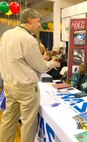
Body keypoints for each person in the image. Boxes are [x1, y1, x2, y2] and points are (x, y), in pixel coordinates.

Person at [0, 8, 60, 142]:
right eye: (38, 21)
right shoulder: (28, 39)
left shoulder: (6, 34)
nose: (39, 25)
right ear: (30, 20)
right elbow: (40, 66)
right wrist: (51, 63)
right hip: (26, 89)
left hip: (9, 86)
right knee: (28, 123)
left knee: (8, 120)